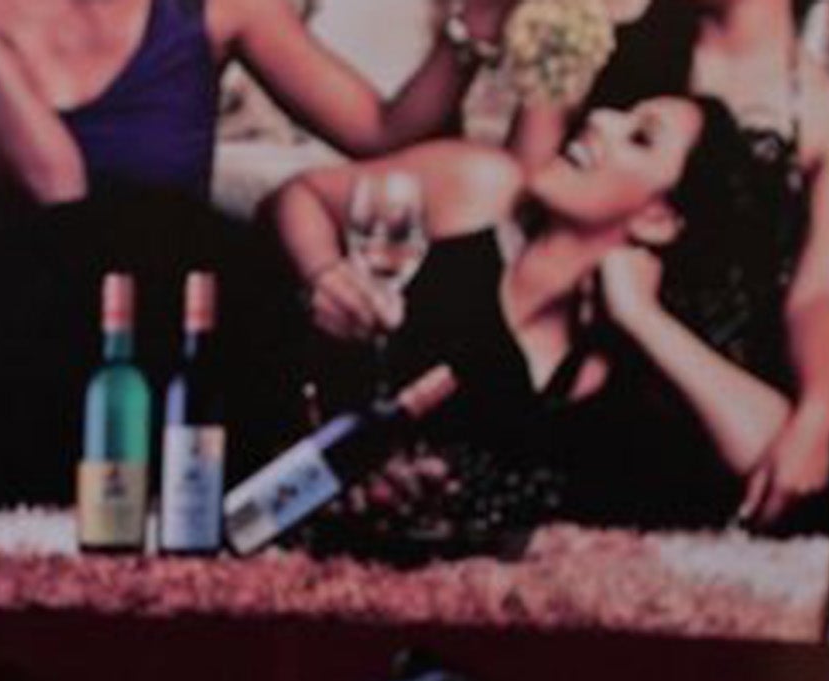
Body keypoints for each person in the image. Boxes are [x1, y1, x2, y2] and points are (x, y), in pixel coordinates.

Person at [0, 0, 523, 509]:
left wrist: (475, 27)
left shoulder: (217, 9)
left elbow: (382, 128)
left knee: (153, 248)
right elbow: (51, 188)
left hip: (144, 320)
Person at [275, 95, 792, 531]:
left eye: (640, 137)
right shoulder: (480, 188)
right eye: (619, 112)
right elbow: (301, 195)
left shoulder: (608, 370)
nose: (601, 119)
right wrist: (322, 273)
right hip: (257, 474)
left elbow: (770, 449)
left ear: (658, 219)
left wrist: (642, 316)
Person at [512, 0, 829, 524]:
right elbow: (525, 181)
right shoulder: (612, 43)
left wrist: (818, 413)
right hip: (584, 359)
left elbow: (821, 292)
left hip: (724, 385)